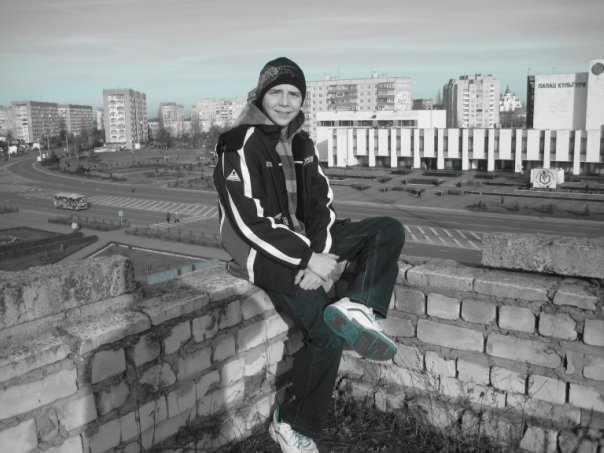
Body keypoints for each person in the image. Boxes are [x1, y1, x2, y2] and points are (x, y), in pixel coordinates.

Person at [213, 57, 405, 453]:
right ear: (261, 95)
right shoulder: (238, 144)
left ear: (302, 100)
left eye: (294, 94)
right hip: (264, 255)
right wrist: (309, 260)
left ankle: (357, 306)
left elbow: (321, 206)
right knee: (326, 336)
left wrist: (321, 255)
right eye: (276, 93)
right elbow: (250, 223)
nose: (285, 102)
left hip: (306, 248)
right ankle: (291, 424)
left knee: (387, 230)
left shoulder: (302, 142)